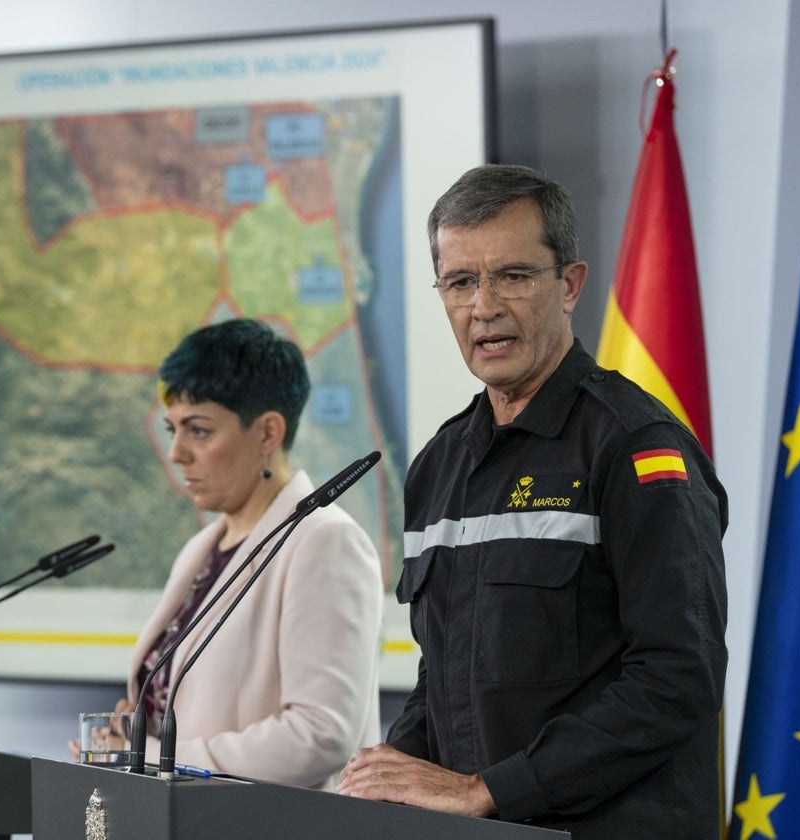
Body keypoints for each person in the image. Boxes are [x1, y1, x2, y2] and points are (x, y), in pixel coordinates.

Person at [337, 164, 728, 839]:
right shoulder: (438, 465)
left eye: (512, 276)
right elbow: (445, 674)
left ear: (569, 285)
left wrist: (493, 790)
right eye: (460, 282)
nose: (483, 306)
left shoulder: (635, 445)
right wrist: (389, 773)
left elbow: (678, 676)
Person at [121, 317, 384, 790]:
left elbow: (321, 735)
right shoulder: (199, 551)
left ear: (267, 434)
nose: (177, 452)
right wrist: (135, 730)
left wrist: (154, 757)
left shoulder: (325, 542)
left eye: (198, 431)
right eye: (172, 429)